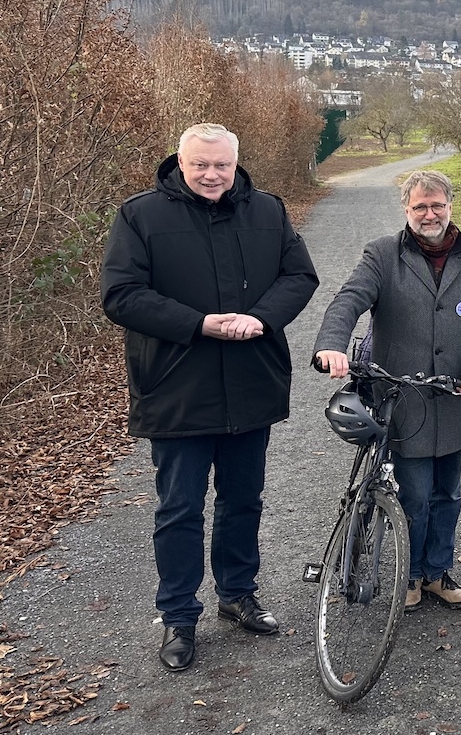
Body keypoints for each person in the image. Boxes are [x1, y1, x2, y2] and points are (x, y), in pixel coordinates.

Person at [101, 123, 319, 672]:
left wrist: (260, 318)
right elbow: (121, 294)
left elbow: (299, 276)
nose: (211, 174)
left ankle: (238, 593)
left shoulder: (267, 210)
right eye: (200, 164)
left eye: (221, 164)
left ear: (235, 163)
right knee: (179, 508)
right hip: (176, 387)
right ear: (180, 162)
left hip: (251, 382)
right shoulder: (141, 215)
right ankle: (178, 616)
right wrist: (198, 324)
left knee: (243, 500)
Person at [313, 169, 461, 613]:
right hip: (402, 399)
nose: (429, 214)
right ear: (406, 209)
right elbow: (349, 299)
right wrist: (331, 344)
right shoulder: (382, 254)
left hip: (454, 397)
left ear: (450, 206)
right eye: (420, 207)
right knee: (413, 494)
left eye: (437, 205)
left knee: (448, 494)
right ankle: (411, 574)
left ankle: (437, 572)